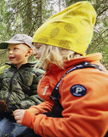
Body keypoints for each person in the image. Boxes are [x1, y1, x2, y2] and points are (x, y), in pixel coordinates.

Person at [13, 1, 108, 137]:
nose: (34, 52)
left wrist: (33, 120)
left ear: (57, 47)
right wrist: (34, 110)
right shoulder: (65, 73)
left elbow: (82, 131)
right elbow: (57, 104)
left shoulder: (81, 78)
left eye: (39, 47)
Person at [0, 34, 45, 137]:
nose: (10, 52)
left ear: (29, 52)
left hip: (18, 114)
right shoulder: (7, 71)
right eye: (8, 50)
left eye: (15, 49)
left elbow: (38, 97)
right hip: (0, 111)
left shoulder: (37, 73)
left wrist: (18, 107)